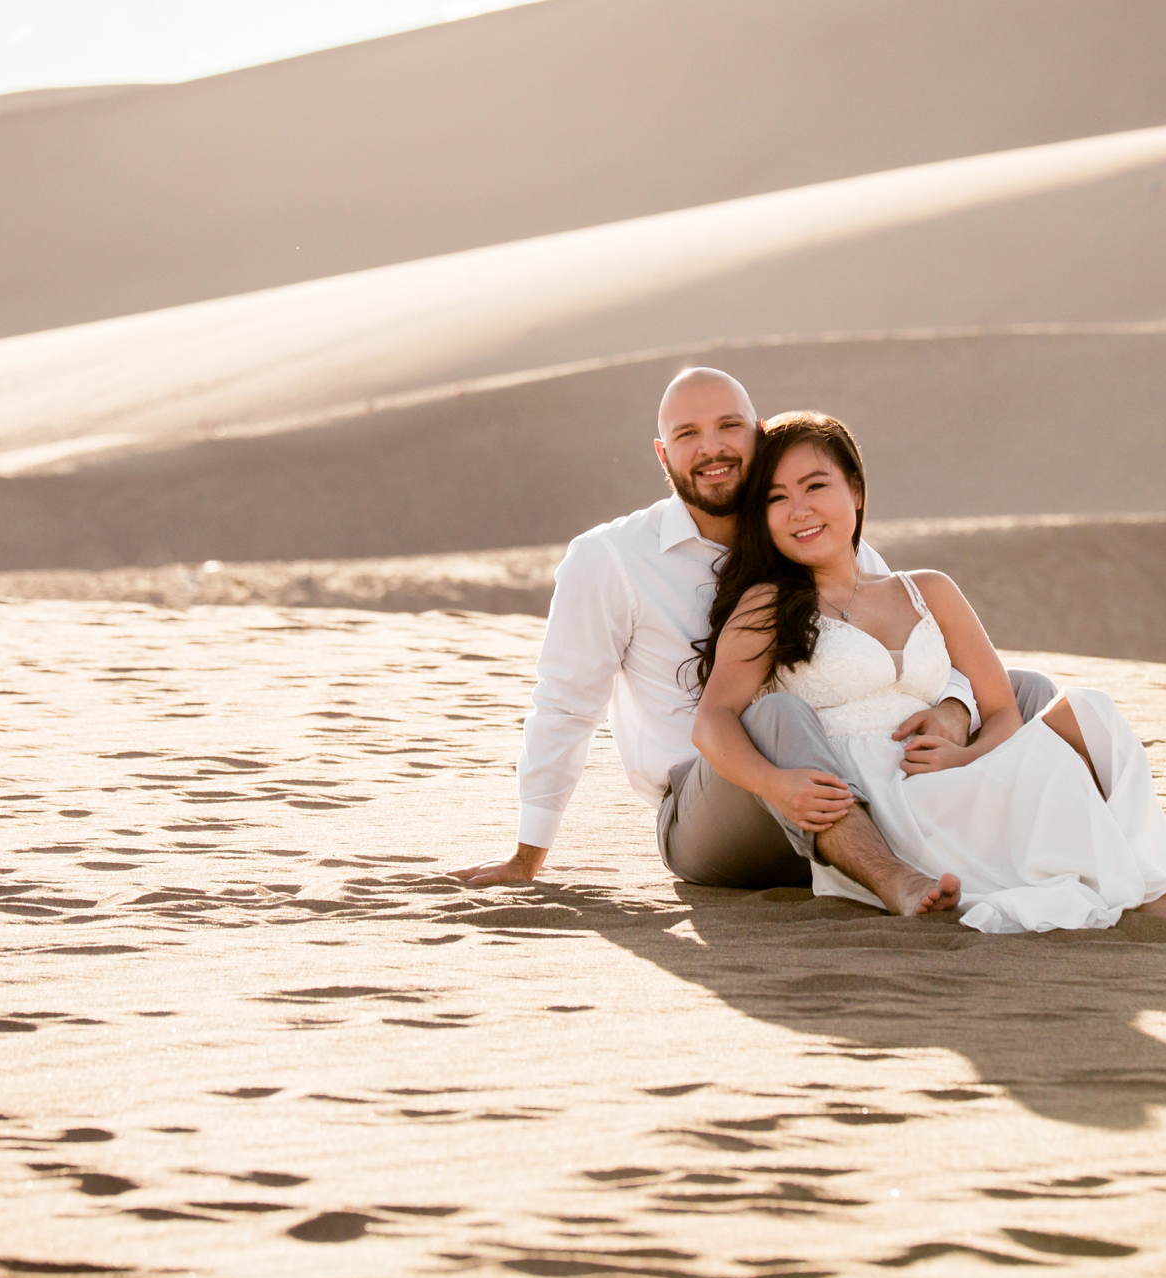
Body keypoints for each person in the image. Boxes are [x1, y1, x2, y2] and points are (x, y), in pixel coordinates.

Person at [448, 367, 1063, 915]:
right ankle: (894, 879)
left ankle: (1075, 858)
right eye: (687, 434)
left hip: (861, 774)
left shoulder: (814, 526)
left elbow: (916, 645)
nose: (711, 447)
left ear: (758, 433)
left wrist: (955, 711)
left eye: (728, 426)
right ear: (663, 454)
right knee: (774, 715)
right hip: (718, 811)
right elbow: (564, 704)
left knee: (1026, 693)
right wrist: (528, 855)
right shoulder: (611, 558)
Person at [690, 410, 1166, 933]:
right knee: (1050, 779)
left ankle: (1148, 877)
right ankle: (1142, 882)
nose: (799, 510)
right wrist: (773, 783)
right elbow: (712, 721)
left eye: (815, 486)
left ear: (857, 492)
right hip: (879, 803)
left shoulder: (929, 591)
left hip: (955, 772)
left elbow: (1002, 711)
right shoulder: (768, 604)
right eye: (776, 497)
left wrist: (965, 758)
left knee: (1092, 711)